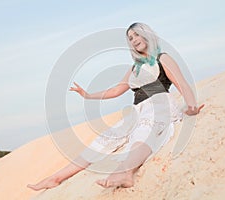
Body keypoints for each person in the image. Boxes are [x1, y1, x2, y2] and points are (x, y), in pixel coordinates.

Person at [27, 22, 204, 191]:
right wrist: (88, 95)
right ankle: (56, 178)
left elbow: (181, 83)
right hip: (138, 110)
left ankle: (125, 173)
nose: (134, 39)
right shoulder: (135, 67)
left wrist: (191, 106)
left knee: (144, 134)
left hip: (159, 105)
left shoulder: (162, 58)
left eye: (136, 34)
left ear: (147, 34)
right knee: (104, 139)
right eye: (130, 38)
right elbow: (116, 90)